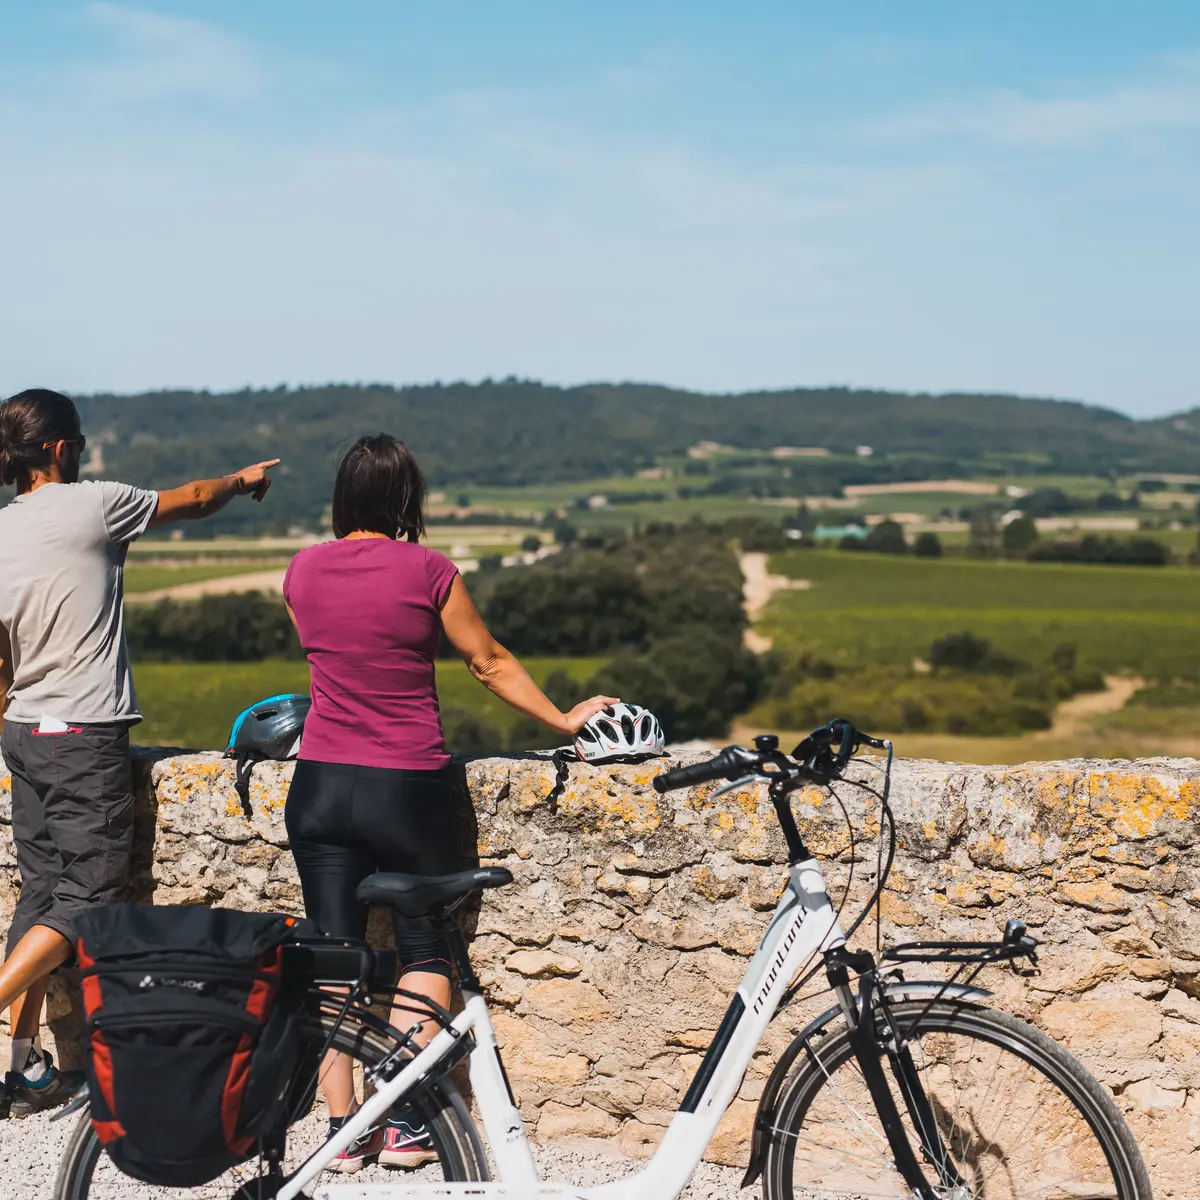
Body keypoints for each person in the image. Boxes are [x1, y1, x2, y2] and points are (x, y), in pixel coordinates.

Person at [283, 433, 617, 1172]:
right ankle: (403, 1119)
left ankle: (342, 1130)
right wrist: (565, 720)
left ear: (343, 498)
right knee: (424, 947)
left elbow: (328, 651)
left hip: (318, 783)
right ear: (408, 500)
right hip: (406, 785)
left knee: (333, 956)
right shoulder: (429, 569)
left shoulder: (302, 570)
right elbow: (488, 662)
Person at [0, 388, 279, 1116]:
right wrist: (244, 481)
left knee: (42, 896)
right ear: (62, 449)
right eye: (80, 442)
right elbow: (192, 498)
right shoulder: (95, 505)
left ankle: (23, 1068)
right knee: (89, 893)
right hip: (81, 733)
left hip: (23, 732)